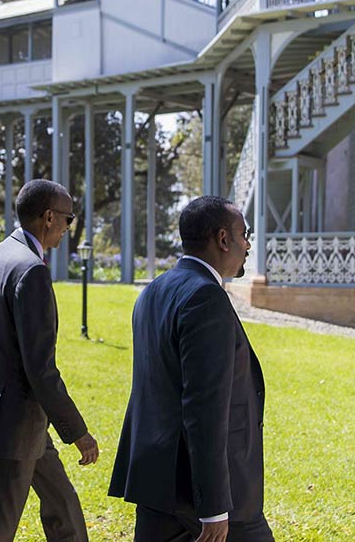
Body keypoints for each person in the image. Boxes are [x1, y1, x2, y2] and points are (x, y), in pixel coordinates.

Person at [108, 195, 271, 542]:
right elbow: (204, 408)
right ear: (223, 239)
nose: (247, 244)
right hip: (201, 492)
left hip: (156, 480)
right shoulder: (205, 298)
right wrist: (213, 506)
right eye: (244, 234)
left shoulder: (153, 291)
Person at [0, 178, 99, 541]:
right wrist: (78, 432)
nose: (70, 228)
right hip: (13, 426)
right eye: (69, 219)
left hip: (21, 420)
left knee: (63, 504)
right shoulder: (31, 270)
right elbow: (41, 369)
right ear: (49, 217)